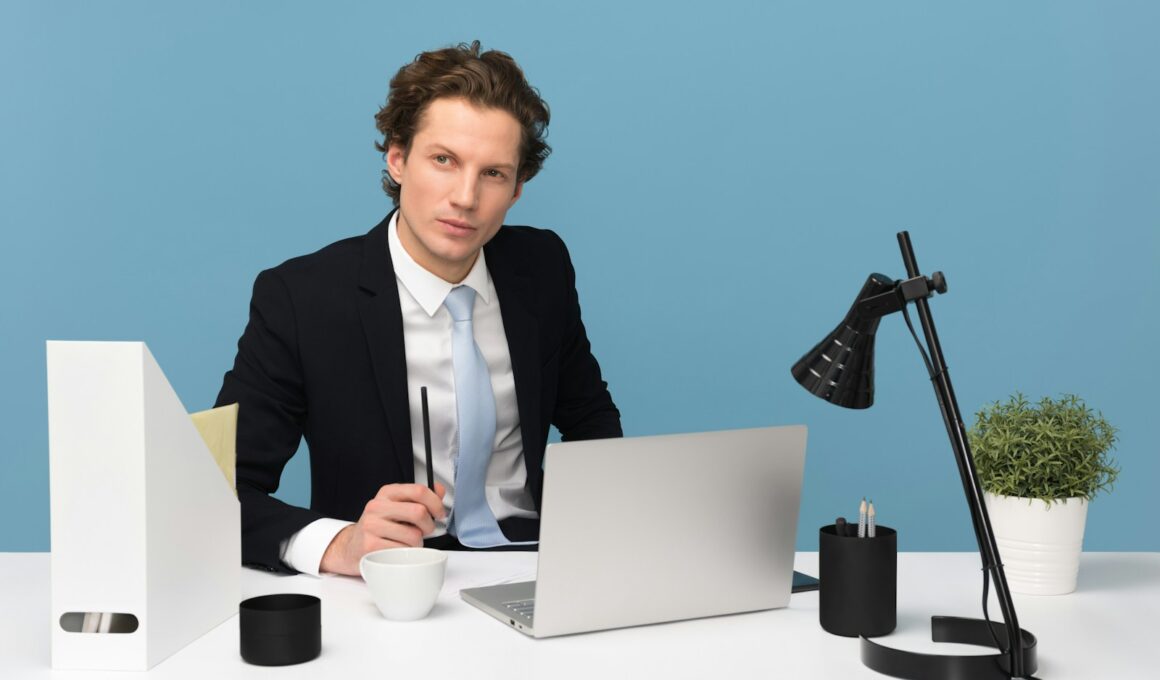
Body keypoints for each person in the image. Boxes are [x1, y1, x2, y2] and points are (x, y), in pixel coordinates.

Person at [215, 41, 622, 576]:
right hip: (387, 581)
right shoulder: (300, 298)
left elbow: (590, 419)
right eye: (444, 160)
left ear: (518, 190)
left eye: (494, 173)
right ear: (398, 159)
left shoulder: (541, 267)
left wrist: (600, 534)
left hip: (535, 565)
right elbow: (219, 493)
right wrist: (340, 544)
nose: (465, 197)